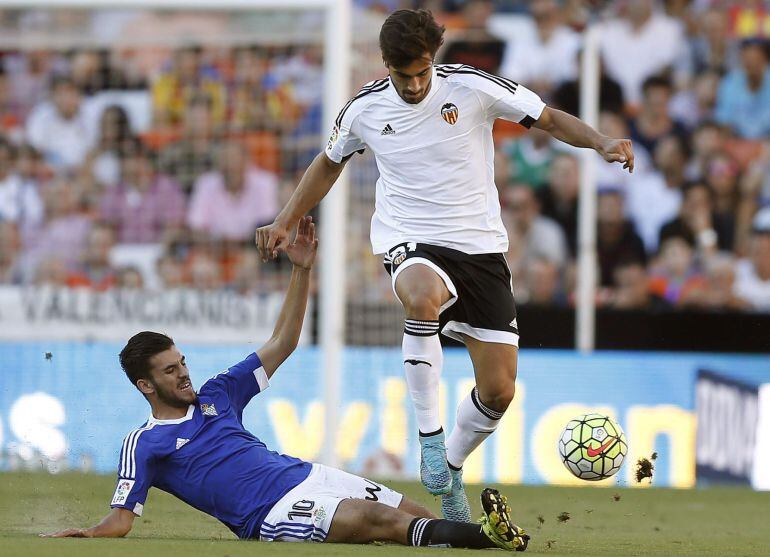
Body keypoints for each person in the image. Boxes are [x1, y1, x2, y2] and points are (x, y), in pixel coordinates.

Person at [257, 9, 633, 523]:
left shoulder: (473, 87)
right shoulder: (363, 109)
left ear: (434, 58)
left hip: (479, 247)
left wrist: (602, 142)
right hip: (409, 238)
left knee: (499, 390)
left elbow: (546, 116)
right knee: (420, 294)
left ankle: (450, 466)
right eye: (402, 74)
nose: (413, 84)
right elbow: (329, 162)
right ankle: (430, 437)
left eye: (422, 72)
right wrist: (286, 218)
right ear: (386, 64)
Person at [41, 217, 529, 552]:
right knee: (378, 521)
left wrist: (301, 270)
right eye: (171, 370)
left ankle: (480, 540)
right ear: (146, 386)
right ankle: (490, 538)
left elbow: (283, 342)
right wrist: (89, 536)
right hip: (270, 514)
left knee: (412, 513)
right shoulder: (145, 444)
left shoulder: (217, 393)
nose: (184, 372)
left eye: (182, 361)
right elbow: (123, 517)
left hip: (308, 475)